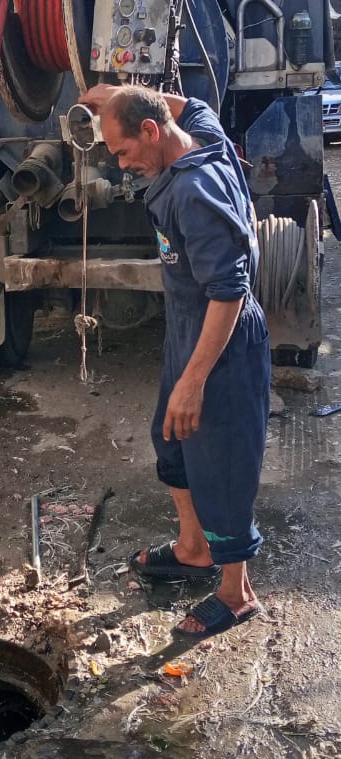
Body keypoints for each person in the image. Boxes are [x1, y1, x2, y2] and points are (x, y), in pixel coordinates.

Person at [79, 84, 270, 641]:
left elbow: (229, 291)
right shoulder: (200, 136)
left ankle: (236, 593)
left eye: (122, 151)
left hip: (223, 342)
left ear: (150, 130)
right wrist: (119, 92)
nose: (121, 165)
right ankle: (193, 548)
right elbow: (194, 107)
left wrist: (194, 380)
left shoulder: (194, 192)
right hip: (189, 329)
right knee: (171, 439)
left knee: (222, 465)